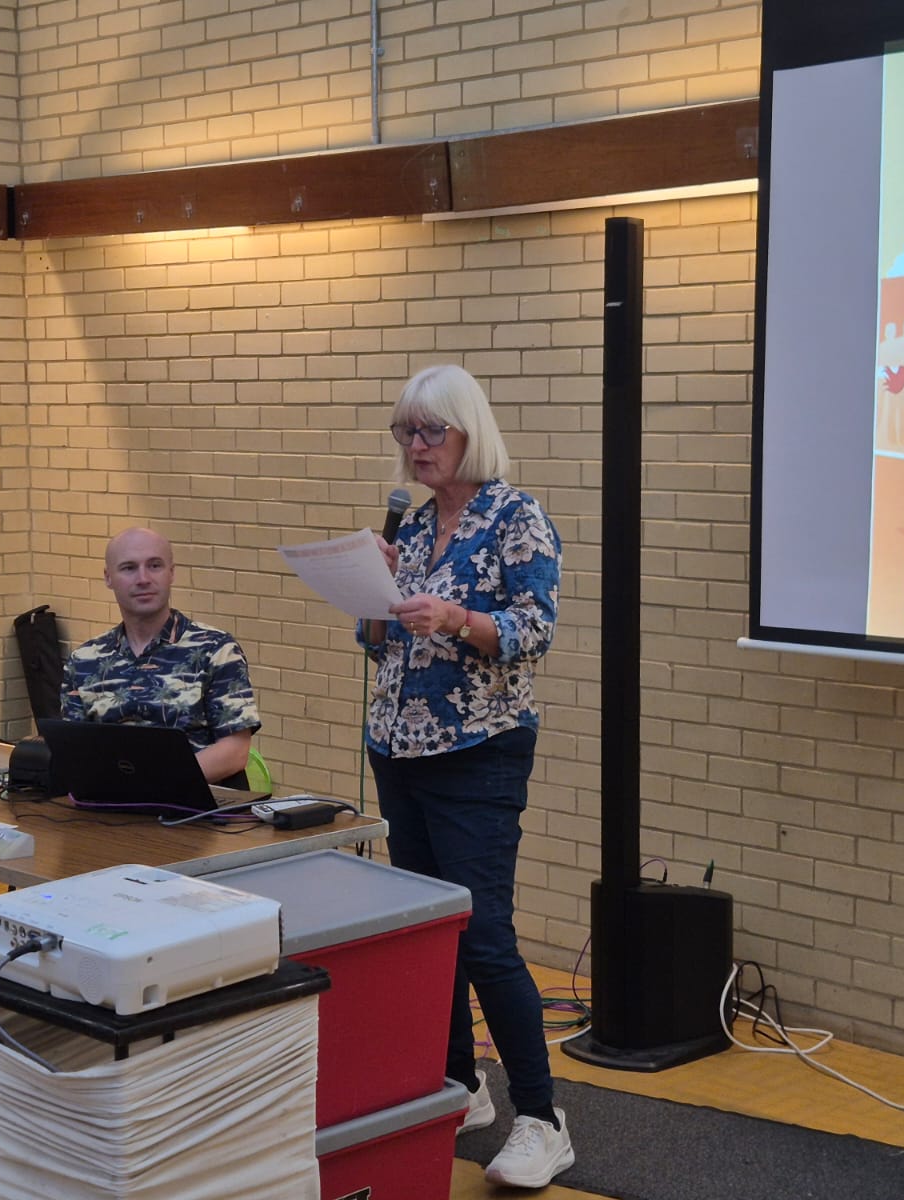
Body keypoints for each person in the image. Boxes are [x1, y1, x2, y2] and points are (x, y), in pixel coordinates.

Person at [359, 364, 572, 1189]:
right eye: (404, 432)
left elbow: (533, 630)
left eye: (429, 431)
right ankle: (459, 1082)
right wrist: (372, 590)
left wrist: (456, 618)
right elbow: (378, 645)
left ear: (466, 431)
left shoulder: (516, 518)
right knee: (430, 928)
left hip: (478, 751)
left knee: (484, 935)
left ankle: (543, 1119)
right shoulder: (413, 528)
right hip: (399, 748)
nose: (415, 446)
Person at [61, 526, 259, 785]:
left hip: (194, 803)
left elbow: (235, 751)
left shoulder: (215, 649)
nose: (143, 578)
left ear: (171, 573)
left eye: (154, 566)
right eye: (129, 568)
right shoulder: (84, 661)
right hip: (110, 802)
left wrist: (153, 785)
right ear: (108, 578)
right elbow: (74, 750)